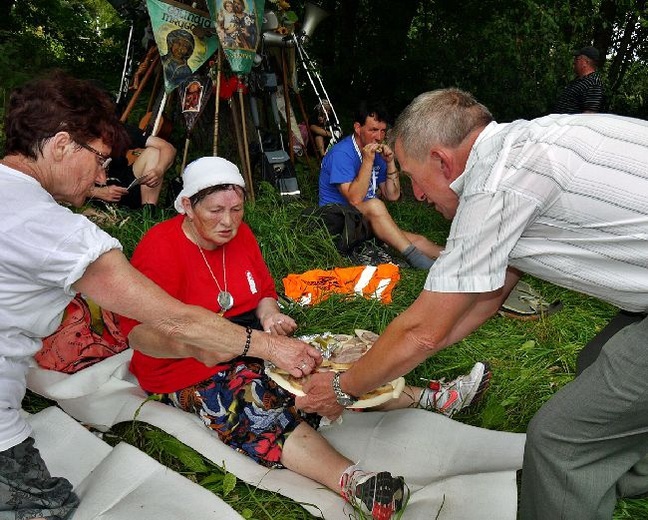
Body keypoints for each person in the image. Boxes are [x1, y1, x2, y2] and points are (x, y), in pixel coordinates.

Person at [298, 87, 648, 520]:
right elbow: (485, 299)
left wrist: (340, 388)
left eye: (410, 176)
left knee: (557, 441)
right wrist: (404, 354)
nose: (418, 196)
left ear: (443, 161)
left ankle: (577, 474)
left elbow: (422, 332)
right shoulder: (521, 147)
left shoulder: (494, 186)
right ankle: (620, 470)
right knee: (597, 363)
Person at [0, 70, 321, 520]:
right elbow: (170, 323)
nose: (102, 173)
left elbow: (258, 291)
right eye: (98, 158)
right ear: (59, 145)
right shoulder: (56, 230)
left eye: (236, 209)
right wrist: (268, 347)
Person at [121, 156, 491, 520]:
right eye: (216, 210)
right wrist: (190, 346)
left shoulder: (240, 234)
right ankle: (355, 483)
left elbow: (263, 289)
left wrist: (270, 316)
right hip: (181, 366)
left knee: (317, 363)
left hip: (246, 338)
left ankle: (435, 398)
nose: (229, 222)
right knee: (252, 399)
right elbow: (137, 334)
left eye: (236, 209)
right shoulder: (160, 247)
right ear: (187, 205)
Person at [318, 102, 443, 269]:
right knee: (376, 205)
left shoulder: (377, 154)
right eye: (373, 130)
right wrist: (367, 160)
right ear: (357, 128)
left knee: (418, 240)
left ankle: (456, 257)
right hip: (339, 220)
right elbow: (355, 199)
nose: (379, 137)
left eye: (382, 131)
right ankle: (418, 261)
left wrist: (390, 163)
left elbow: (392, 195)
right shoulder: (342, 153)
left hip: (366, 220)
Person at [90, 124, 176, 213]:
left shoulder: (119, 129)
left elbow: (168, 147)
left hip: (123, 184)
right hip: (90, 190)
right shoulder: (80, 134)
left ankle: (148, 212)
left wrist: (159, 170)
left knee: (154, 152)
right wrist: (97, 192)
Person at [553, 45, 605, 114]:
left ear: (585, 63)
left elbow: (589, 113)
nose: (574, 61)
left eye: (577, 59)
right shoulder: (579, 80)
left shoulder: (593, 83)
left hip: (570, 124)